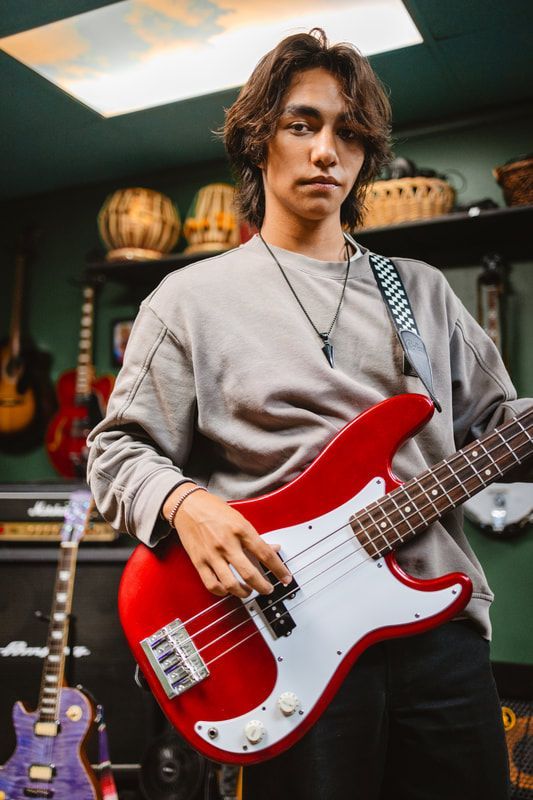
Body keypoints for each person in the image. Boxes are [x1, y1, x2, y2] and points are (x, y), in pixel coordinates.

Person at [87, 28, 532, 800]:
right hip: (278, 634)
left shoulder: (418, 290)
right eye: (304, 124)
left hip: (438, 634)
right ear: (260, 139)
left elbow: (503, 435)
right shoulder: (190, 300)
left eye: (350, 132)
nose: (328, 150)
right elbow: (116, 450)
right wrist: (187, 504)